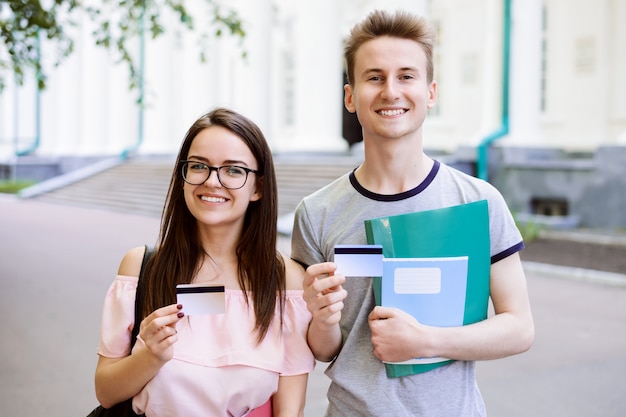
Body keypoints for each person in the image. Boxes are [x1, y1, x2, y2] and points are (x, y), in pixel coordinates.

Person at [291, 9, 535, 416]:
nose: (391, 91)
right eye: (374, 77)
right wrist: (322, 317)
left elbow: (519, 328)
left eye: (406, 75)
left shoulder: (478, 201)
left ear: (431, 92)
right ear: (350, 96)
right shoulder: (316, 213)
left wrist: (427, 342)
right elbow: (322, 349)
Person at [95, 108, 315, 416]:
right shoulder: (141, 267)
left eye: (233, 170)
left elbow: (290, 411)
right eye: (199, 166)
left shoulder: (286, 282)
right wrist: (150, 357)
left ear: (258, 188)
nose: (213, 181)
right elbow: (106, 393)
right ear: (183, 176)